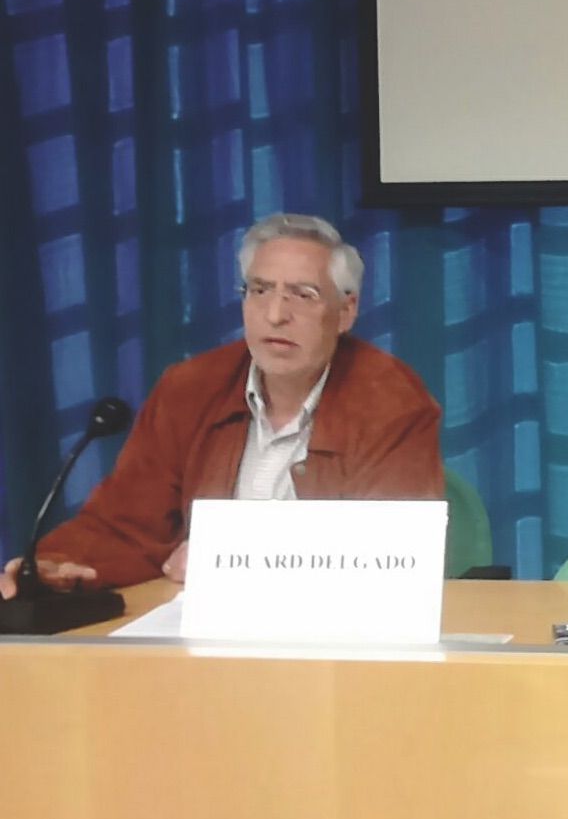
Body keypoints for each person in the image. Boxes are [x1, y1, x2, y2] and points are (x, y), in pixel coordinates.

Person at [1, 213, 444, 597]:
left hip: (330, 644)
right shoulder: (189, 390)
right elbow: (125, 525)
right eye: (260, 290)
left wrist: (229, 557)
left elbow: (385, 551)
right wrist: (56, 564)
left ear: (346, 312)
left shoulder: (390, 400)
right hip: (197, 640)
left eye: (303, 295)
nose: (275, 315)